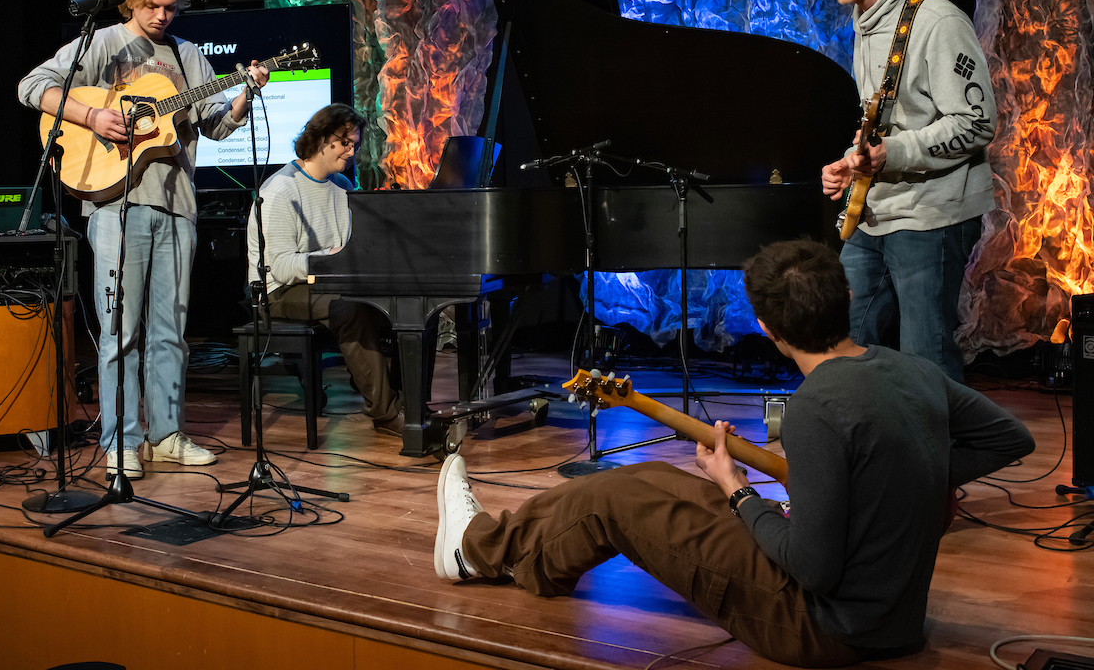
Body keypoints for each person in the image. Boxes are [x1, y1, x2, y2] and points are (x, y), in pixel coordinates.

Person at [434, 238, 1033, 667]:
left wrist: (736, 487)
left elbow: (813, 569)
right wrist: (908, 477)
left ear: (767, 329)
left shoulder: (816, 408)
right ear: (848, 296)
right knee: (650, 483)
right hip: (891, 622)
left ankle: (473, 551)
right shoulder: (914, 372)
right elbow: (1012, 438)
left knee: (614, 499)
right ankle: (519, 556)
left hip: (823, 631)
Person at [18, 0, 270, 479]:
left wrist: (244, 95)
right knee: (119, 331)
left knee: (170, 331)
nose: (162, 16)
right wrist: (91, 115)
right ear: (131, 0)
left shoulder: (189, 55)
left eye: (171, 8)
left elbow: (217, 128)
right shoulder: (103, 44)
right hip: (113, 204)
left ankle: (167, 435)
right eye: (152, 6)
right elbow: (31, 85)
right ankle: (120, 441)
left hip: (177, 204)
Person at [796, 0, 996, 383]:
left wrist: (891, 154)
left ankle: (942, 455)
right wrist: (852, 161)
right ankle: (867, 451)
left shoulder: (936, 20)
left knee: (926, 357)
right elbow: (883, 121)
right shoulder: (865, 23)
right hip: (877, 210)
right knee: (838, 340)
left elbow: (976, 121)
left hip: (932, 213)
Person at [246, 104, 403, 436]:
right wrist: (329, 258)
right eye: (345, 142)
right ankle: (386, 414)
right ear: (319, 139)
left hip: (327, 281)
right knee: (349, 310)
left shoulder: (342, 186)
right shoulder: (279, 191)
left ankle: (407, 402)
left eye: (355, 145)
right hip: (278, 292)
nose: (351, 151)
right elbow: (282, 267)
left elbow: (354, 243)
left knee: (402, 304)